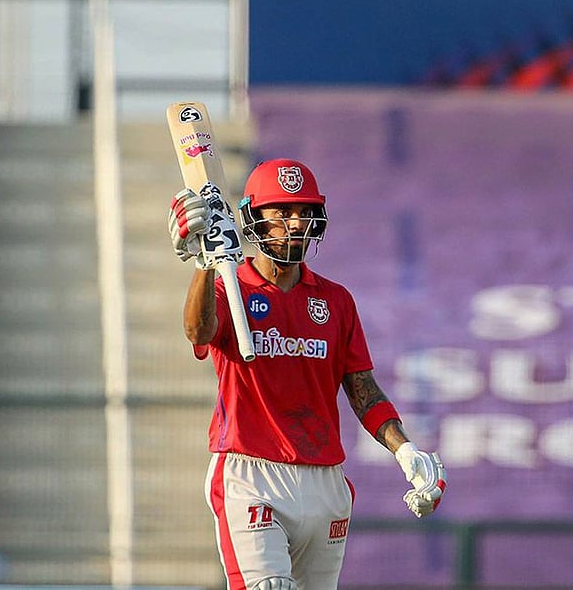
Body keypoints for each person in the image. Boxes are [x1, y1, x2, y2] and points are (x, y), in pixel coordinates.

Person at [168, 158, 446, 590]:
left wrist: (406, 450)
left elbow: (362, 390)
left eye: (303, 211)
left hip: (325, 480)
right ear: (255, 218)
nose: (294, 223)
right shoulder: (229, 288)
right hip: (250, 472)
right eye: (281, 212)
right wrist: (204, 263)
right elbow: (197, 330)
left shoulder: (336, 300)